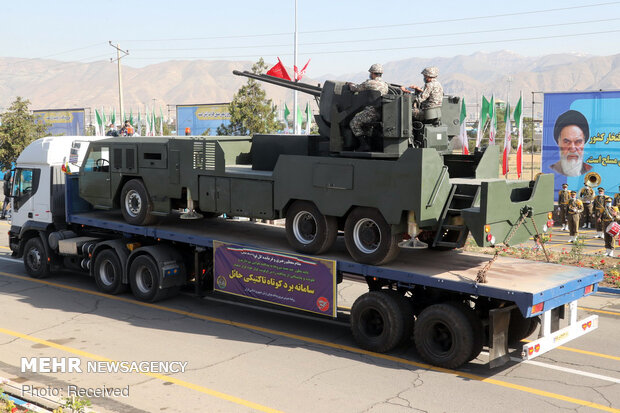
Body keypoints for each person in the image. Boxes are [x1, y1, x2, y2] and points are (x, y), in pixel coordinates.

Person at [348, 63, 389, 151]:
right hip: (381, 112)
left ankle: (364, 145)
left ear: (373, 73)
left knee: (354, 123)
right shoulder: (385, 85)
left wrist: (350, 84)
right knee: (367, 126)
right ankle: (368, 144)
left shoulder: (370, 83)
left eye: (371, 73)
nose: (370, 74)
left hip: (372, 111)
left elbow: (355, 89)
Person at [548, 110, 592, 177]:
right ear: (558, 142)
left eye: (578, 142)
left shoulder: (589, 169)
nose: (573, 148)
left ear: (584, 142)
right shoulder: (552, 169)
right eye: (567, 142)